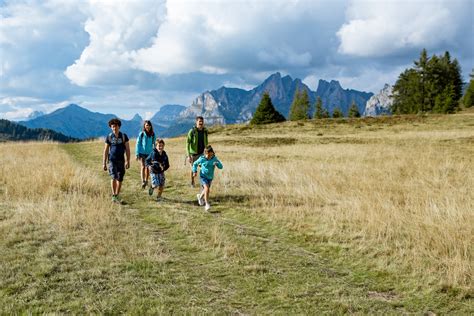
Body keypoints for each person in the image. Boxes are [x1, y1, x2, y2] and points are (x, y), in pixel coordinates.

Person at [103, 118, 131, 203]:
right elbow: (106, 150)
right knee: (113, 177)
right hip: (112, 160)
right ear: (111, 127)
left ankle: (117, 195)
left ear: (119, 126)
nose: (114, 128)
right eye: (113, 126)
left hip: (121, 161)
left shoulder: (124, 136)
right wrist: (104, 163)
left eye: (116, 126)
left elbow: (127, 149)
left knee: (120, 178)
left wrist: (128, 161)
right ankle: (114, 195)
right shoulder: (109, 137)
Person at [192, 145, 223, 212]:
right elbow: (195, 164)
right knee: (207, 188)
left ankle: (200, 197)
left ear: (212, 153)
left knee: (206, 190)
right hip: (203, 176)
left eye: (209, 154)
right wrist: (194, 171)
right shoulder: (202, 158)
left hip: (210, 177)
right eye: (206, 154)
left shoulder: (215, 159)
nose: (207, 156)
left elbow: (221, 167)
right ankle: (207, 204)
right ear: (204, 153)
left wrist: (217, 164)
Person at [186, 116, 208, 187]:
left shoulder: (205, 131)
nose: (201, 123)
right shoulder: (192, 131)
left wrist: (207, 151)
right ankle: (192, 182)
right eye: (199, 121)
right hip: (193, 154)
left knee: (204, 168)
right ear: (196, 122)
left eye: (202, 121)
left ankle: (203, 183)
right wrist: (188, 155)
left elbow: (206, 142)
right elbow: (187, 143)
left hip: (202, 153)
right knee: (193, 169)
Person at [135, 120, 156, 189]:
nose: (148, 126)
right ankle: (143, 181)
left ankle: (146, 180)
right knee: (143, 166)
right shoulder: (141, 134)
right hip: (141, 153)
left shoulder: (153, 134)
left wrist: (155, 153)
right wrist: (137, 153)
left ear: (150, 126)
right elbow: (138, 143)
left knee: (148, 168)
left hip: (149, 153)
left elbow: (154, 144)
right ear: (144, 126)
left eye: (149, 125)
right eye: (146, 125)